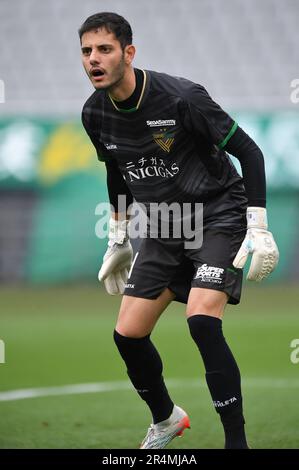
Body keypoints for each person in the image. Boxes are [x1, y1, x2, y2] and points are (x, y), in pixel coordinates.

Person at [79, 12, 279, 449]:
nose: (93, 59)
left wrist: (257, 225)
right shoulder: (94, 113)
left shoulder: (182, 97)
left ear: (128, 53)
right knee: (127, 334)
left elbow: (251, 152)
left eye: (104, 49)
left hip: (217, 214)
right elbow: (117, 171)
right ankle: (166, 418)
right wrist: (118, 236)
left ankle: (236, 443)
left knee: (203, 322)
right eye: (87, 51)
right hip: (162, 225)